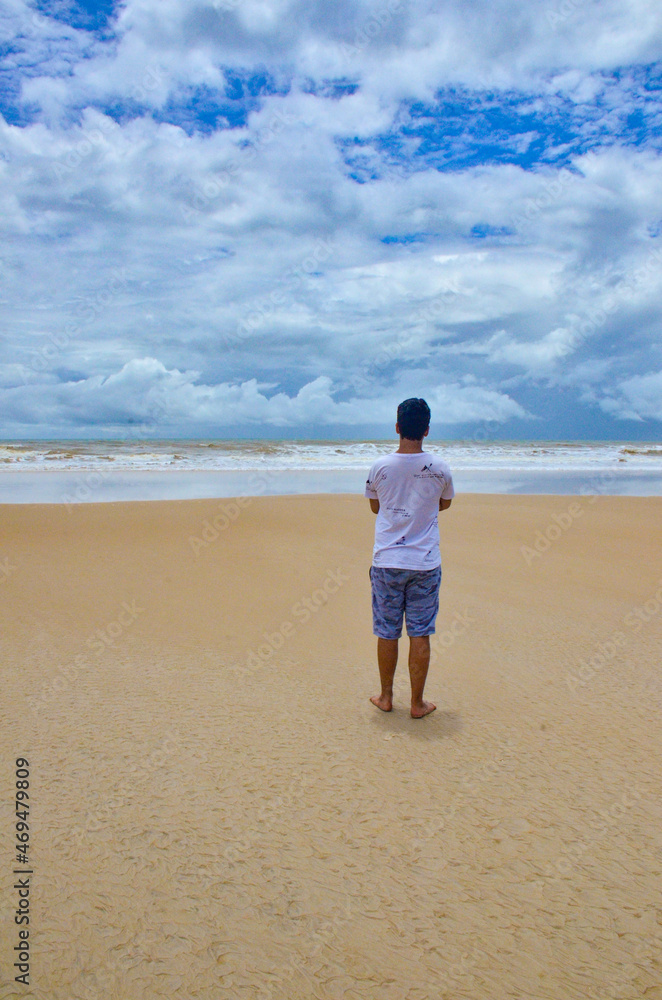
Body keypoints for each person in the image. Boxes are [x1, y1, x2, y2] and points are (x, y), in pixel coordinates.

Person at [364, 397, 454, 718]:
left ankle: (386, 697)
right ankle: (417, 703)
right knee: (420, 631)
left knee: (387, 630)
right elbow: (444, 504)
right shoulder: (440, 468)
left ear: (398, 427)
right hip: (425, 562)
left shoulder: (380, 467)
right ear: (427, 429)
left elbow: (376, 507)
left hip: (387, 560)